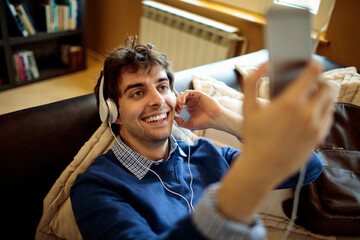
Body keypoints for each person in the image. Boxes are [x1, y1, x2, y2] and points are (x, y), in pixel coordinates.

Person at [70, 37, 334, 240]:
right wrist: (234, 199)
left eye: (163, 87)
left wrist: (222, 118)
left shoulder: (207, 154)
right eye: (137, 93)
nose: (158, 101)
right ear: (114, 113)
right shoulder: (96, 188)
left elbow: (308, 166)